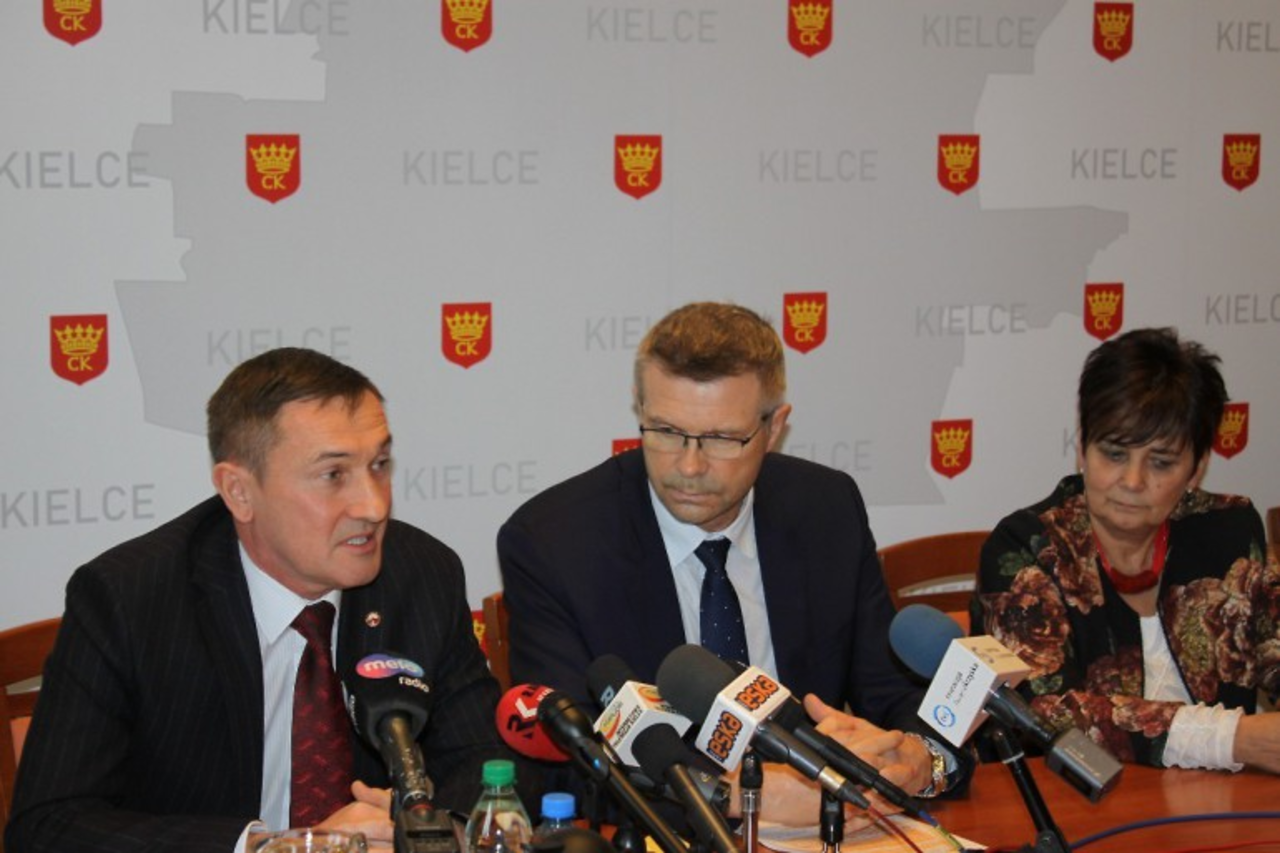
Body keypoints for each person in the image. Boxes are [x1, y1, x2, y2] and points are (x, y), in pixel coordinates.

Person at [6, 348, 522, 853]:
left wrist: (435, 828)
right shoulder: (129, 598)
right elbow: (49, 825)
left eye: (380, 464)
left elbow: (485, 764)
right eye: (333, 475)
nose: (373, 504)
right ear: (239, 492)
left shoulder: (421, 574)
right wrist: (275, 847)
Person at [498, 302, 972, 827]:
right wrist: (743, 797)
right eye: (666, 430)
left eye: (722, 439)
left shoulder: (826, 510)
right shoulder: (556, 543)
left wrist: (919, 760)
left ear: (774, 428)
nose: (689, 465)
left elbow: (894, 693)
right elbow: (570, 765)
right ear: (640, 409)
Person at [973, 327, 1280, 774]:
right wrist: (1233, 739)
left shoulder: (1228, 531)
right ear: (1082, 448)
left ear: (1197, 468)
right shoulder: (1027, 549)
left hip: (1226, 804)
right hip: (1081, 804)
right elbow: (1044, 715)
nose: (1133, 482)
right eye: (1115, 454)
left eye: (1161, 462)